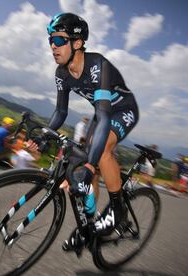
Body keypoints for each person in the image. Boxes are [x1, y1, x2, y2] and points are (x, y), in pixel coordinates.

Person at [29, 13, 140, 242]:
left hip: (122, 110)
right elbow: (61, 112)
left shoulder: (98, 65)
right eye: (50, 40)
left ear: (77, 43)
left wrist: (90, 163)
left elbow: (103, 114)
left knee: (98, 156)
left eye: (59, 40)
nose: (52, 46)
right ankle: (91, 225)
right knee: (88, 169)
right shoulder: (61, 73)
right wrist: (45, 136)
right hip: (102, 112)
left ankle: (118, 211)